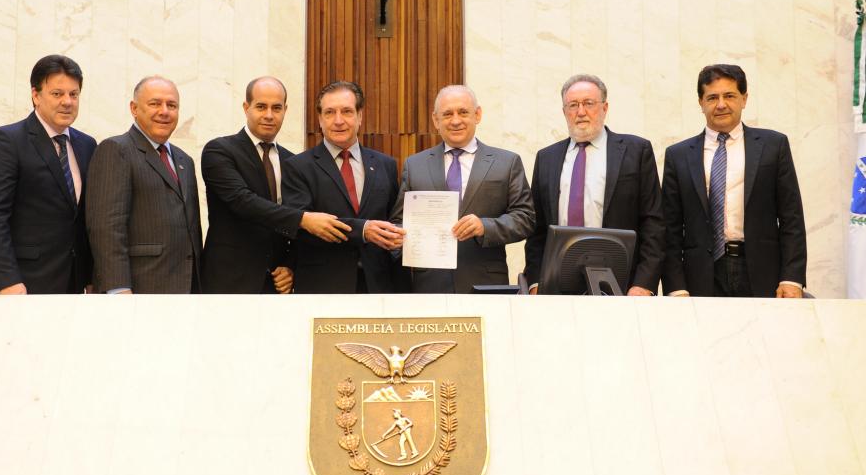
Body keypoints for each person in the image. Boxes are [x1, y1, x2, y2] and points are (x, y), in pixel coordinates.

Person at [662, 64, 807, 297]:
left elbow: (792, 218)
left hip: (763, 272)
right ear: (701, 103)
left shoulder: (773, 146)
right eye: (712, 98)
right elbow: (670, 229)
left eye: (729, 96)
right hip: (700, 276)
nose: (721, 104)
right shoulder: (678, 155)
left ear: (744, 99)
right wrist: (676, 286)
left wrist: (791, 278)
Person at [200, 76, 352, 294]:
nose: (269, 115)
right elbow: (243, 201)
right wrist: (303, 219)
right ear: (246, 108)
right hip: (229, 281)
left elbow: (296, 218)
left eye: (277, 108)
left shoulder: (293, 161)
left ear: (285, 110)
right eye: (261, 107)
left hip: (277, 282)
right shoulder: (219, 151)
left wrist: (290, 264)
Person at [522, 74, 663, 295]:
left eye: (588, 103)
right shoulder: (546, 158)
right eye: (573, 105)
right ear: (564, 112)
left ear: (605, 108)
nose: (580, 112)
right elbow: (537, 230)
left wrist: (644, 283)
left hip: (622, 286)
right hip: (556, 287)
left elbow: (653, 223)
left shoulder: (636, 151)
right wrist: (535, 283)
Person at [392, 84, 534, 293]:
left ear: (477, 115)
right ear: (435, 120)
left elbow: (525, 218)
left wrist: (485, 226)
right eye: (447, 114)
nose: (456, 120)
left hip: (485, 284)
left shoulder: (507, 162)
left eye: (463, 112)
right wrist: (399, 239)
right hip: (429, 285)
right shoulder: (415, 165)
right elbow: (399, 221)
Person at [0, 54, 97, 294]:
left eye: (74, 94)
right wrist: (7, 280)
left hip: (71, 285)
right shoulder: (7, 141)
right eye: (57, 93)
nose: (67, 102)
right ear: (35, 95)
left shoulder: (87, 145)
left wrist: (90, 277)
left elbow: (83, 219)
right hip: (21, 284)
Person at [282, 80, 404, 293]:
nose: (338, 121)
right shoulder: (297, 167)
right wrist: (363, 230)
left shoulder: (385, 164)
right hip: (323, 286)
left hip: (378, 285)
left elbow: (394, 219)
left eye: (347, 111)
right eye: (330, 113)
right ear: (320, 119)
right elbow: (300, 227)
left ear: (360, 116)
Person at [86, 75, 202, 294]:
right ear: (134, 108)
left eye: (172, 105)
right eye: (155, 103)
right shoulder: (116, 149)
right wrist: (117, 287)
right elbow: (106, 228)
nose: (164, 111)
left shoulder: (184, 160)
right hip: (138, 288)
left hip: (185, 288)